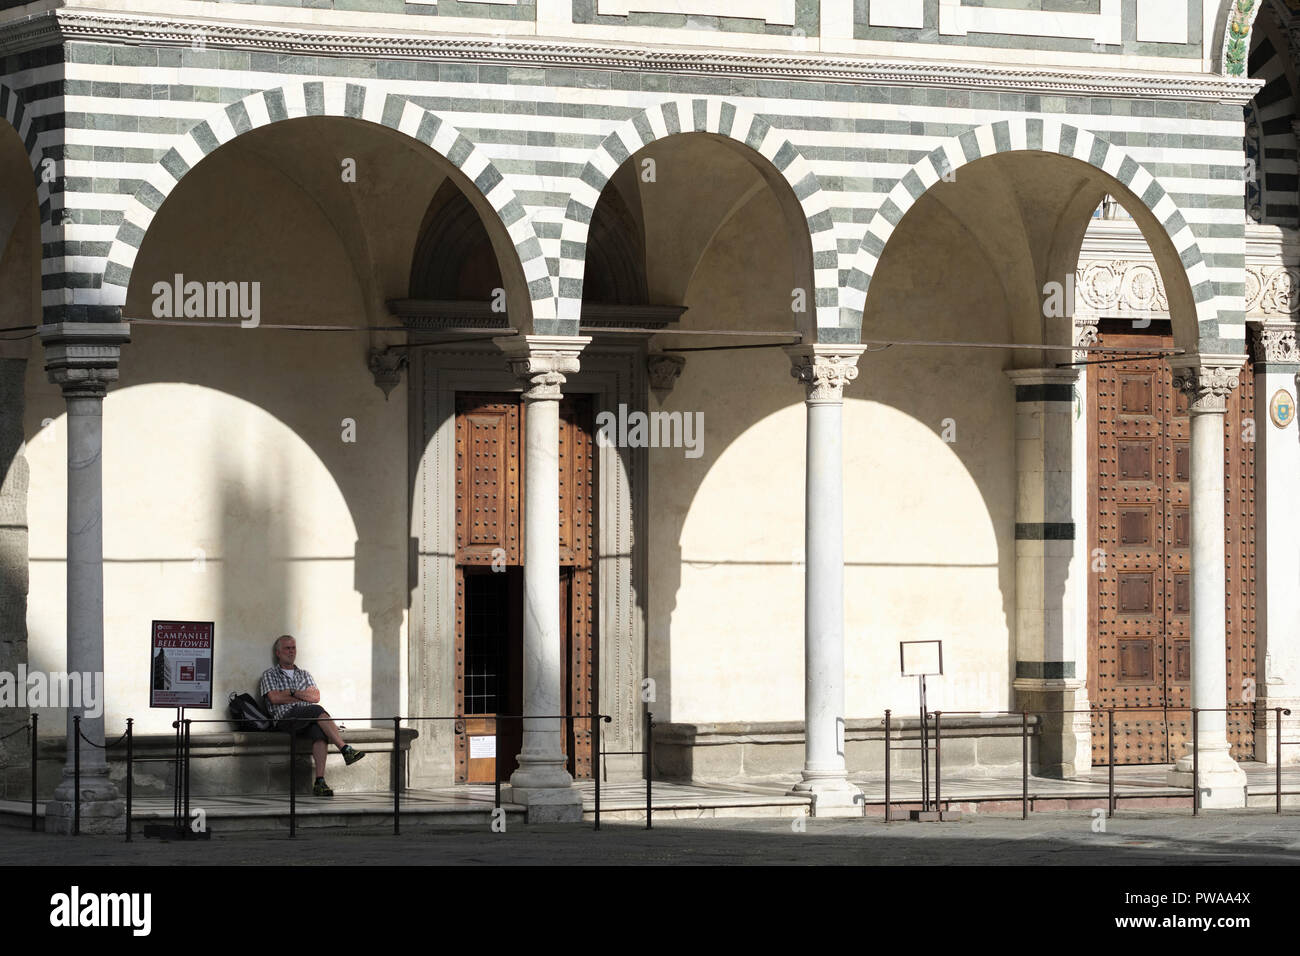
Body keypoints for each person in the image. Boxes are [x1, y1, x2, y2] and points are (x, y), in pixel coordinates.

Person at [259, 634, 365, 796]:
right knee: (316, 710)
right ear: (278, 653)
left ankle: (320, 782)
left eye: (293, 648)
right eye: (287, 648)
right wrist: (302, 695)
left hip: (307, 718)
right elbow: (274, 698)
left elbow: (315, 697)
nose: (291, 651)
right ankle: (345, 748)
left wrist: (292, 692)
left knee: (320, 733)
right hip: (285, 718)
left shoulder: (305, 674)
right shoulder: (270, 674)